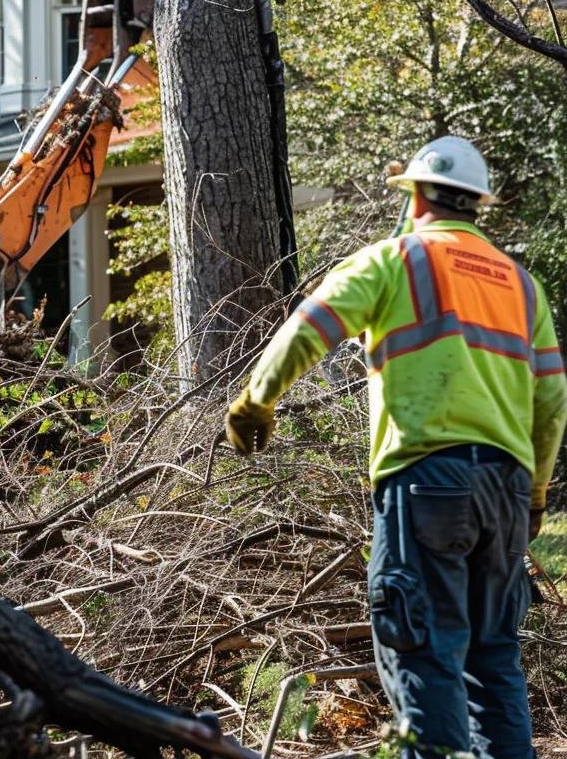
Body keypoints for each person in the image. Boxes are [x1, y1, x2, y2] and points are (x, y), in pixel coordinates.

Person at [224, 136, 567, 759]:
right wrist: (536, 492)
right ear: (475, 206)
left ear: (415, 197)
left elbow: (310, 326)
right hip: (508, 488)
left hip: (426, 479)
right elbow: (552, 402)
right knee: (492, 658)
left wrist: (256, 400)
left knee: (421, 645)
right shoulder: (523, 287)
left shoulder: (395, 261)